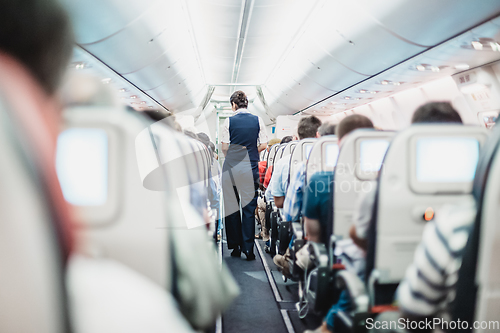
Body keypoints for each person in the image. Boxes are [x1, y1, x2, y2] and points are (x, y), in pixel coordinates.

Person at [303, 115, 375, 333]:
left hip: (342, 262)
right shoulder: (387, 182)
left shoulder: (319, 180)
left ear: (339, 145)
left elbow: (313, 235)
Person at [221, 90, 268, 260]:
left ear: (233, 105)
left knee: (232, 207)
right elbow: (264, 144)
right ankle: (248, 249)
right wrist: (251, 153)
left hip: (232, 167)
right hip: (250, 168)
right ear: (246, 104)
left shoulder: (228, 121)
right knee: (249, 208)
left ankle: (234, 247)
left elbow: (224, 147)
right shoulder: (258, 120)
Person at [281, 116, 323, 222]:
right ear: (319, 135)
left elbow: (289, 215)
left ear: (297, 137)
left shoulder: (297, 166)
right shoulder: (340, 165)